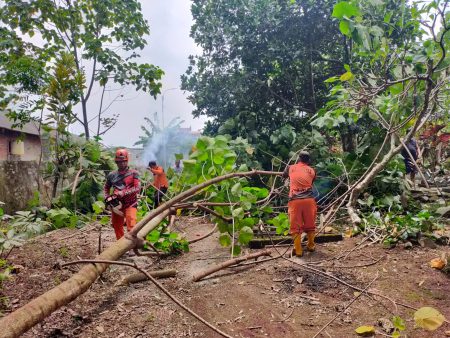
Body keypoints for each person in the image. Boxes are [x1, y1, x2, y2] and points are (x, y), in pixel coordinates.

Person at [283, 151, 317, 257]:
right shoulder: (312, 171)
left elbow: (284, 176)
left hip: (295, 201)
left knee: (295, 227)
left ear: (299, 158)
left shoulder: (290, 167)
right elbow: (311, 182)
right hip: (309, 201)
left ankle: (298, 251)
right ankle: (311, 246)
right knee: (310, 225)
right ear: (308, 160)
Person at [104, 148, 140, 240]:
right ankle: (120, 247)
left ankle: (131, 247)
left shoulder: (134, 173)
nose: (122, 163)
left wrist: (123, 192)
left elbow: (137, 188)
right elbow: (106, 188)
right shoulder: (112, 175)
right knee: (117, 226)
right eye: (119, 162)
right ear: (116, 162)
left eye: (124, 161)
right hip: (116, 204)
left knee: (131, 226)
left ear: (127, 161)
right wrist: (107, 198)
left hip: (130, 203)